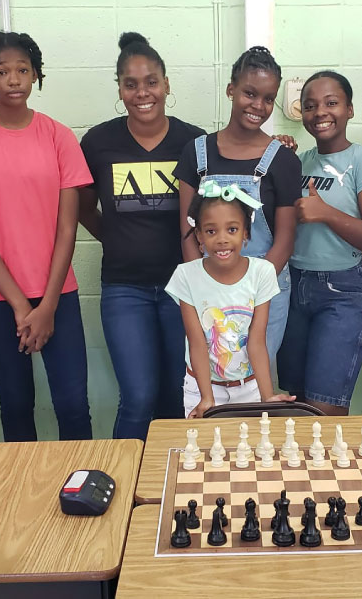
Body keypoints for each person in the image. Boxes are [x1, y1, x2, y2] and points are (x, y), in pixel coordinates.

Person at [0, 31, 93, 442]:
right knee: (15, 401)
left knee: (73, 403)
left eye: (22, 70)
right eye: (2, 71)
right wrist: (19, 305)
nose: (13, 79)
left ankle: (83, 487)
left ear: (36, 75)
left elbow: (68, 227)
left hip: (57, 293)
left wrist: (45, 306)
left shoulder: (59, 136)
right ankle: (22, 495)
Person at [79, 32, 204, 440]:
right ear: (119, 88)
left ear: (166, 84)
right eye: (130, 84)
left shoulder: (195, 142)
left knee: (175, 395)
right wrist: (114, 236)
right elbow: (80, 208)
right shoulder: (98, 142)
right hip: (124, 289)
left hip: (181, 289)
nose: (142, 92)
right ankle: (122, 487)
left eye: (151, 81)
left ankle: (168, 488)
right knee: (137, 396)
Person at [276, 71, 362, 415]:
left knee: (323, 410)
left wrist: (327, 213)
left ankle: (332, 471)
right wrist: (276, 154)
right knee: (296, 404)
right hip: (294, 287)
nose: (320, 113)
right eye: (311, 106)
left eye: (331, 103)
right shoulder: (301, 163)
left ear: (349, 110)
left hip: (341, 293)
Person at [175, 47, 301, 368]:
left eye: (268, 98)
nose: (259, 106)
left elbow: (285, 240)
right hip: (207, 288)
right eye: (249, 93)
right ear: (231, 89)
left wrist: (248, 291)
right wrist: (204, 287)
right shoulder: (196, 153)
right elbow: (188, 231)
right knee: (210, 379)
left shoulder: (283, 160)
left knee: (255, 383)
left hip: (263, 292)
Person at [165, 185, 295, 418]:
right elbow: (197, 344)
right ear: (199, 236)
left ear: (245, 233)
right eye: (211, 231)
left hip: (250, 387)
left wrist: (267, 397)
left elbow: (256, 341)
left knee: (250, 451)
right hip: (201, 386)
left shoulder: (262, 272)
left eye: (232, 229)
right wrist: (207, 398)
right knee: (205, 452)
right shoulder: (186, 276)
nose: (222, 240)